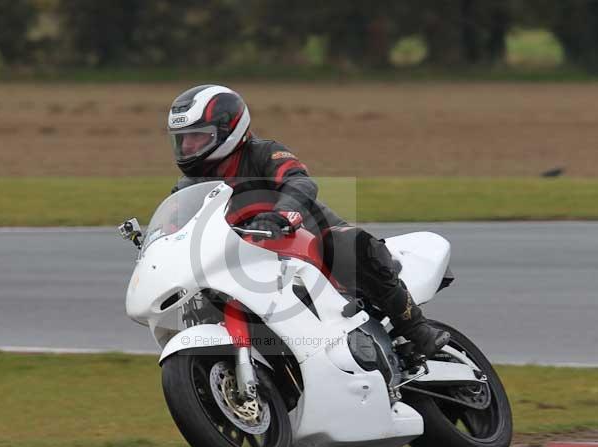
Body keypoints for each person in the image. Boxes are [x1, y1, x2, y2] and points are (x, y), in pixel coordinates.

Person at [167, 84, 449, 359]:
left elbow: (300, 181)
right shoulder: (188, 186)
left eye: (198, 136)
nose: (188, 145)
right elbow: (175, 227)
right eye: (183, 139)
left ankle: (417, 329)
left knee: (350, 243)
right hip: (251, 263)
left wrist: (282, 213)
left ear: (229, 130)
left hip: (309, 245)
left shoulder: (264, 153)